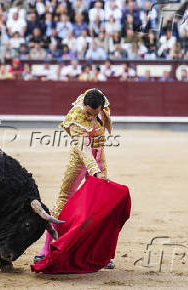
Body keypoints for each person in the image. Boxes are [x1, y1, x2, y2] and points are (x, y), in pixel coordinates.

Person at [34, 88, 115, 269]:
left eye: (95, 114)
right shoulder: (76, 117)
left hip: (99, 156)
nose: (91, 117)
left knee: (99, 205)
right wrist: (95, 172)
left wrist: (99, 165)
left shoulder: (101, 101)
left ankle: (99, 253)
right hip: (79, 160)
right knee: (63, 200)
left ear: (101, 107)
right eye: (88, 113)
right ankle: (47, 248)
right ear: (83, 106)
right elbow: (84, 151)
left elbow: (102, 132)